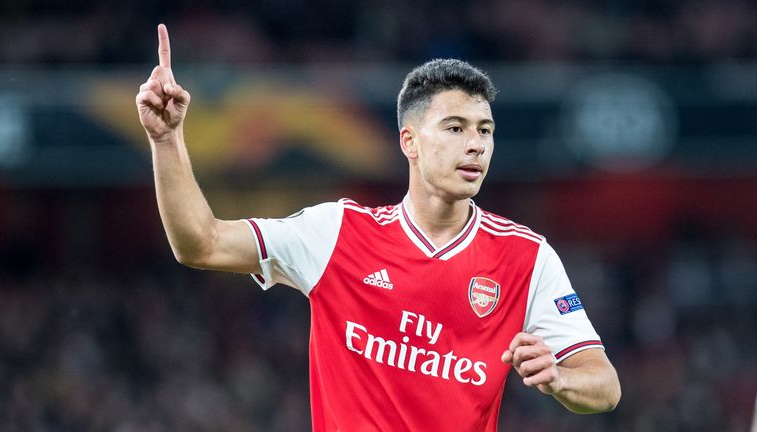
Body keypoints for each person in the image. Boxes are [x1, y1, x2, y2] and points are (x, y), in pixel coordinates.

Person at [136, 24, 620, 431]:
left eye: (485, 130)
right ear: (409, 141)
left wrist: (559, 376)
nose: (475, 145)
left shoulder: (526, 257)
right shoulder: (336, 233)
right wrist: (165, 139)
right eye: (455, 128)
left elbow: (605, 387)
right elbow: (200, 242)